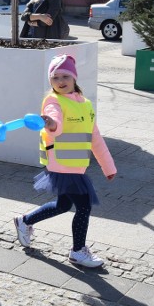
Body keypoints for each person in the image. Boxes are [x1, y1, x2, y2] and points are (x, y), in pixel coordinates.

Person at [13, 54, 116, 268]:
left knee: (63, 205)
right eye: (55, 77)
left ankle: (25, 220)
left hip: (75, 165)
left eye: (65, 76)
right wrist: (50, 123)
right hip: (62, 164)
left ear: (74, 78)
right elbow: (55, 121)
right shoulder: (53, 101)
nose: (60, 81)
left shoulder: (85, 104)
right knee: (84, 207)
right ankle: (78, 251)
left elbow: (94, 136)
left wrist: (108, 166)